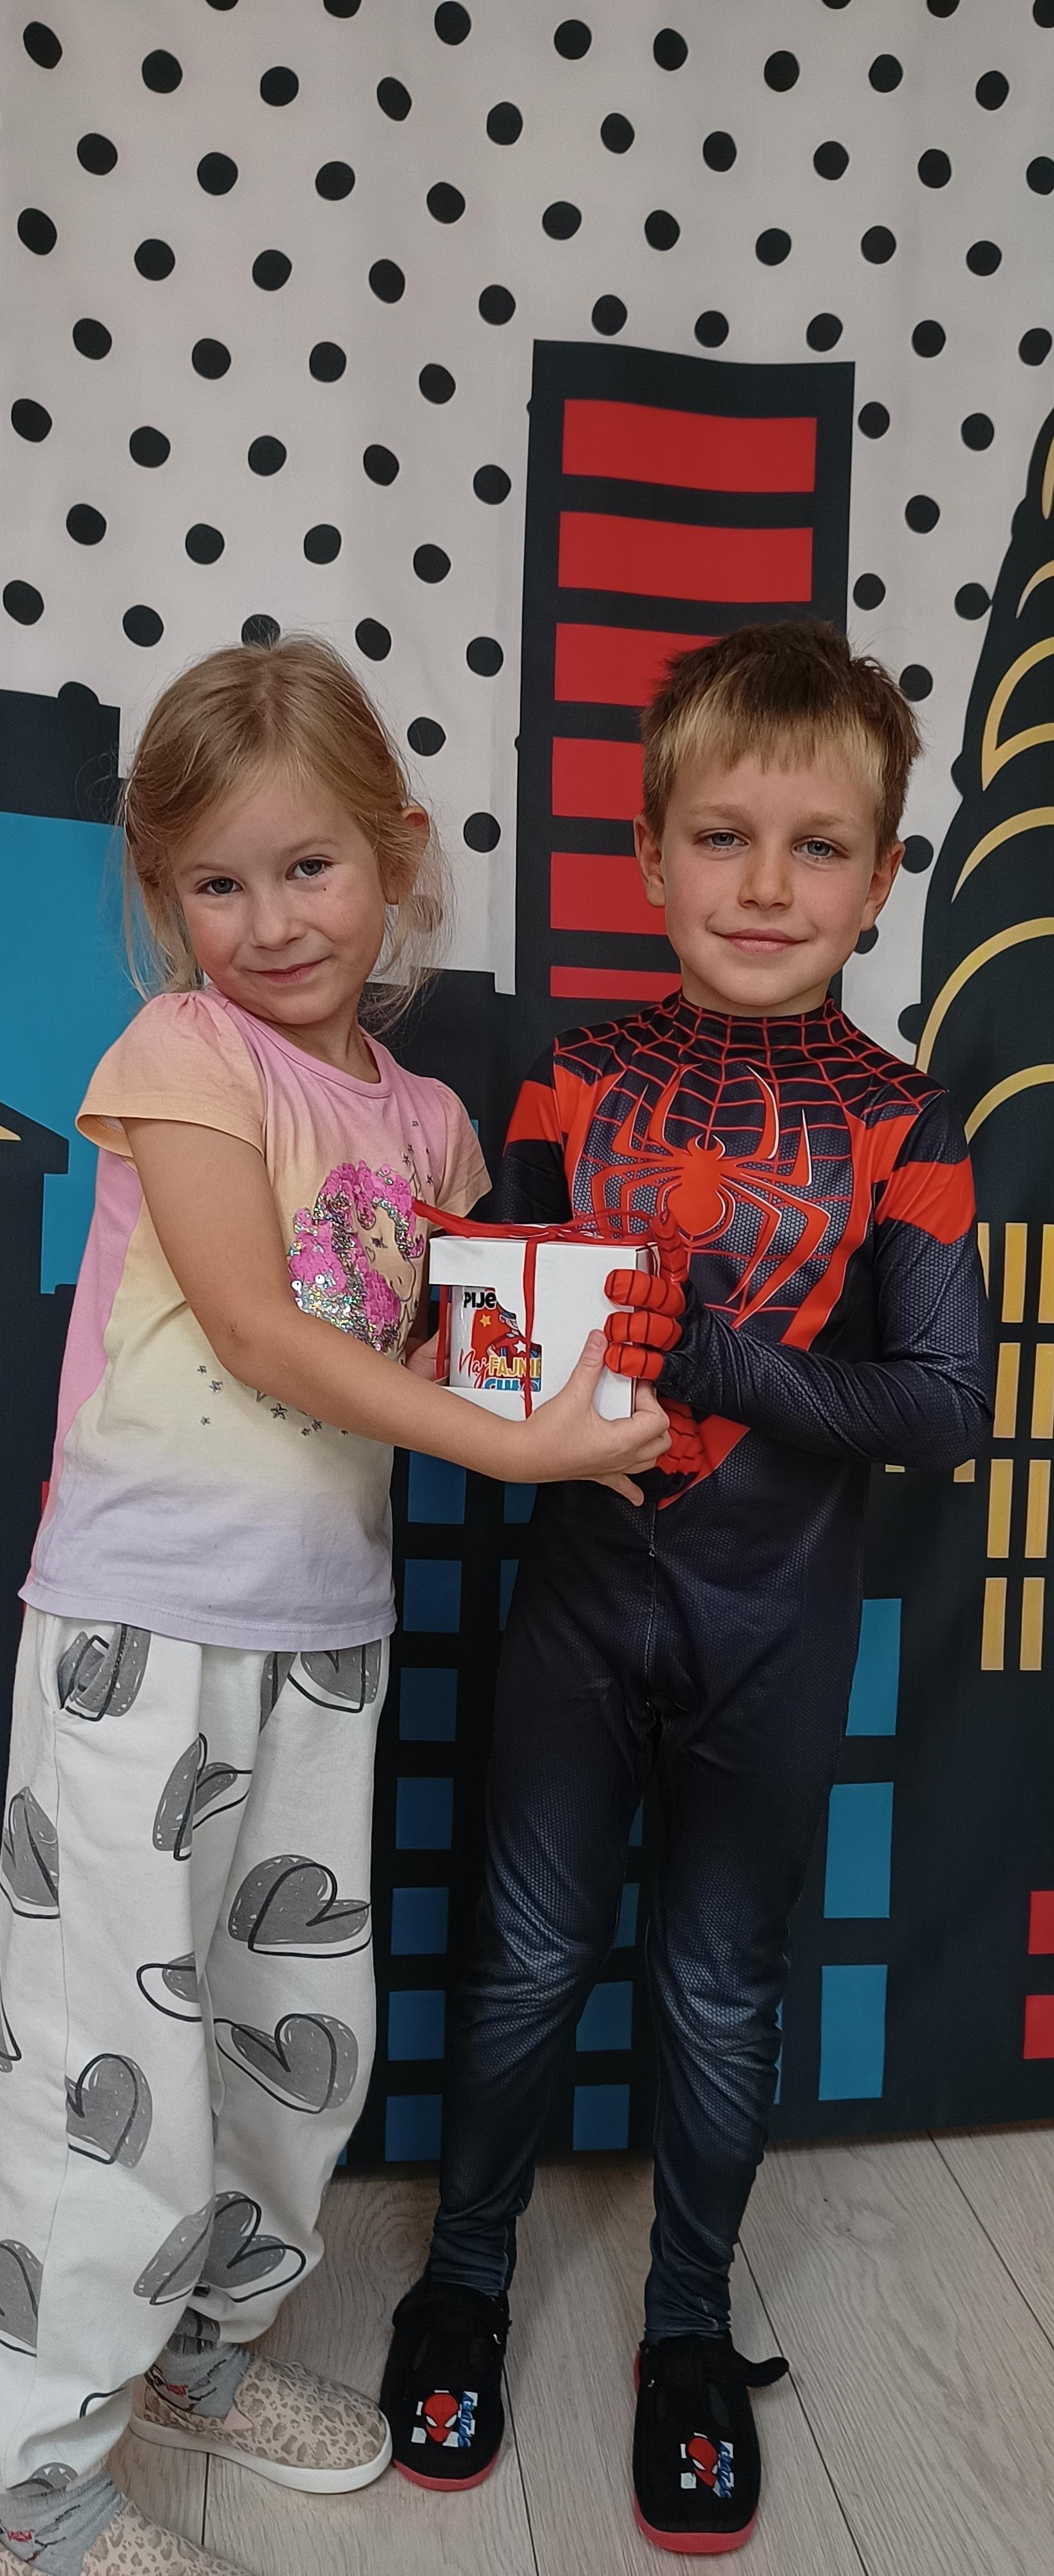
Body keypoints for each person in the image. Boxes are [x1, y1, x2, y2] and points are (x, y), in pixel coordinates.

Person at [0, 636, 669, 2576]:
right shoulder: (183, 1060)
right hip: (139, 1634)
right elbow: (259, 1330)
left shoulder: (427, 1120)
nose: (272, 920)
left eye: (310, 867)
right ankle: (36, 2476)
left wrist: (572, 1365)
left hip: (323, 1639)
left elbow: (436, 1338)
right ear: (164, 897)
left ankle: (203, 2356)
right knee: (108, 2071)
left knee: (294, 2033)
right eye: (219, 882)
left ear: (400, 860)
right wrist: (519, 1445)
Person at [381, 621, 994, 2553]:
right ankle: (462, 2281)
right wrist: (438, 1287)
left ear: (881, 881)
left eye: (819, 848)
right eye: (722, 837)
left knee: (723, 1989)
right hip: (579, 1607)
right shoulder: (572, 1081)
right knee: (523, 1962)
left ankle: (686, 2330)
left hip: (773, 1635)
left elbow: (947, 1406)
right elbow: (490, 1347)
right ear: (648, 856)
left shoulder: (908, 1122)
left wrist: (720, 1357)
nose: (764, 885)